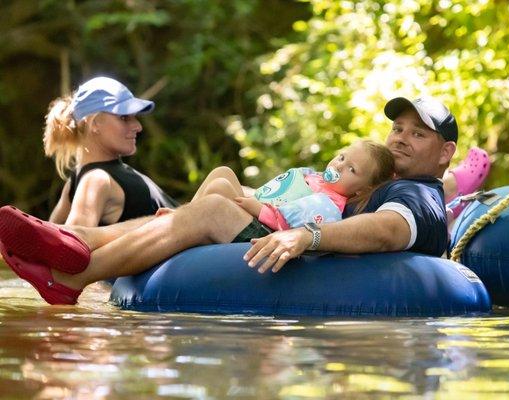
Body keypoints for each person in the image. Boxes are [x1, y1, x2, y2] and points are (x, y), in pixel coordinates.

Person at [0, 96, 460, 305]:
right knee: (220, 186)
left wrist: (308, 235)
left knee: (216, 210)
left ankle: (71, 276)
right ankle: (74, 237)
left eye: (418, 134)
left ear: (444, 154)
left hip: (307, 263)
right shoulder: (379, 177)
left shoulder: (415, 194)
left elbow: (390, 231)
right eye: (398, 128)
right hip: (291, 239)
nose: (401, 139)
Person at [169, 140, 395, 231]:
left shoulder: (328, 205)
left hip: (264, 229)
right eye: (342, 157)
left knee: (221, 187)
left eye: (351, 169)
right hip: (257, 210)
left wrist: (254, 206)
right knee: (223, 172)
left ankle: (181, 224)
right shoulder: (316, 179)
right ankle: (181, 216)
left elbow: (288, 222)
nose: (339, 166)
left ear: (362, 190)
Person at [44, 76, 178, 227]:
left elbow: (49, 235)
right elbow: (68, 243)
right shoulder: (96, 180)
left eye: (134, 117)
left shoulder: (79, 181)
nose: (138, 127)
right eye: (124, 118)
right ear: (95, 124)